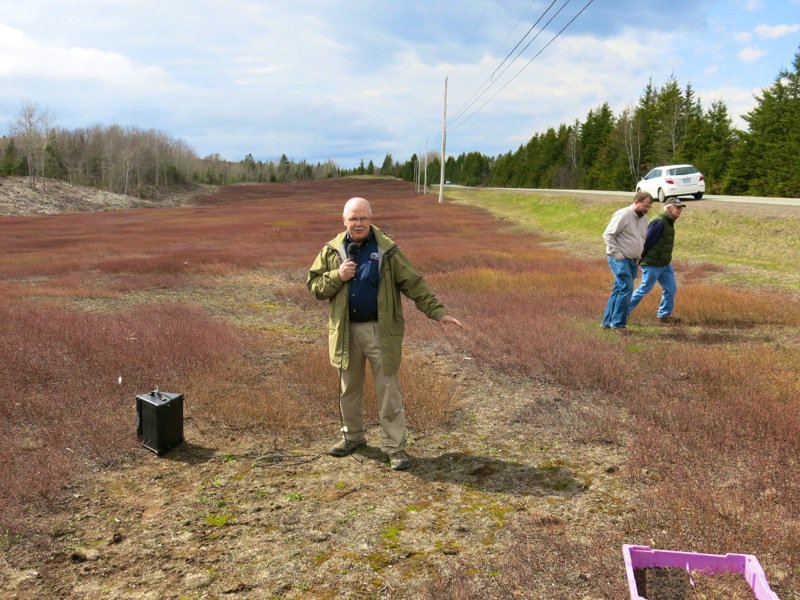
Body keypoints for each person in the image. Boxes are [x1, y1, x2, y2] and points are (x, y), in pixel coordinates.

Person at [307, 196, 463, 471]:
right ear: (344, 221)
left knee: (388, 391)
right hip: (345, 332)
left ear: (371, 219)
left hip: (380, 331)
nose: (358, 223)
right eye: (353, 218)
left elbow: (413, 282)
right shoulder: (331, 251)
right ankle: (352, 437)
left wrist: (438, 313)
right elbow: (315, 286)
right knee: (348, 389)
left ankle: (395, 448)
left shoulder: (387, 250)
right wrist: (337, 276)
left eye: (363, 218)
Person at [601, 190, 654, 335]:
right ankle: (618, 324)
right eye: (645, 206)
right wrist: (617, 254)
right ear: (636, 202)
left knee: (619, 289)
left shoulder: (644, 219)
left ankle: (607, 322)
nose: (647, 209)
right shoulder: (623, 214)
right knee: (626, 288)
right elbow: (608, 235)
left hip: (632, 260)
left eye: (649, 207)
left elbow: (641, 239)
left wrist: (638, 257)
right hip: (619, 259)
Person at [627, 197, 685, 323]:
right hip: (652, 263)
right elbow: (646, 242)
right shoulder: (659, 221)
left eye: (681, 208)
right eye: (677, 207)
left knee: (671, 289)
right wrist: (640, 259)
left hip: (664, 263)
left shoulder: (669, 221)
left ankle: (664, 316)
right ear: (669, 208)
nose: (680, 210)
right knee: (644, 289)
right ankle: (622, 313)